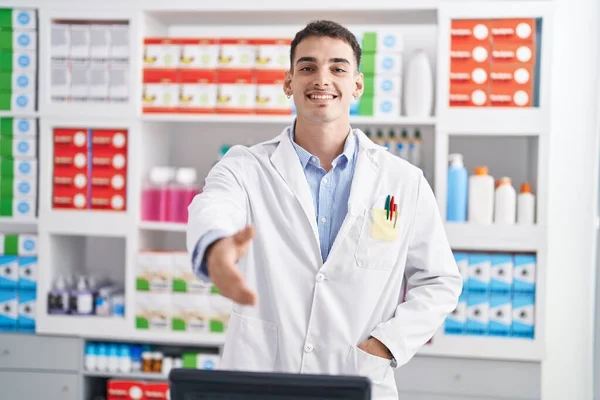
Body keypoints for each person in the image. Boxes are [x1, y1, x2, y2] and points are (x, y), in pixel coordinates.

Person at [187, 20, 462, 400]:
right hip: (263, 378)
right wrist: (216, 248)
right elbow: (213, 206)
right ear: (288, 83)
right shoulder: (245, 167)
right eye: (307, 67)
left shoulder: (403, 181)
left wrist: (386, 345)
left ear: (357, 85)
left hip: (356, 377)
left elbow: (440, 281)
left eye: (337, 68)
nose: (322, 79)